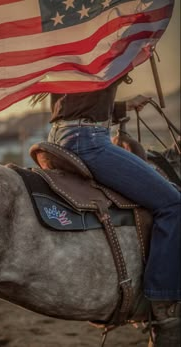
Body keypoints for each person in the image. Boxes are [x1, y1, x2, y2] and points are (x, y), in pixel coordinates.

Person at [31, 74, 180, 346]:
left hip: (63, 135)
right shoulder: (101, 46)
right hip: (88, 140)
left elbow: (81, 103)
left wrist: (124, 106)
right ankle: (164, 304)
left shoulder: (76, 48)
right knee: (173, 205)